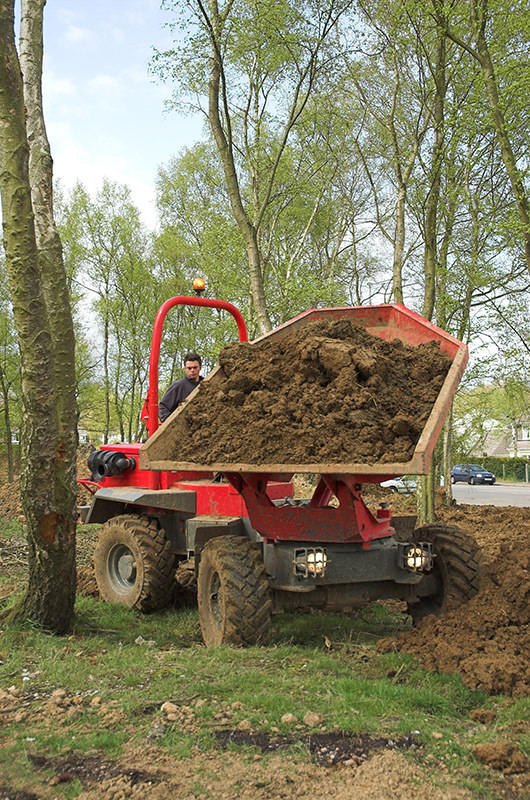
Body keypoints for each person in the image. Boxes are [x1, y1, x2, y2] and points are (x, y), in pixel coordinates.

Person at [158, 352, 203, 422]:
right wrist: (170, 424)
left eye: (195, 367)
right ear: (185, 369)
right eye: (189, 368)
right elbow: (162, 407)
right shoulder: (178, 386)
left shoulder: (205, 385)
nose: (192, 370)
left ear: (200, 367)